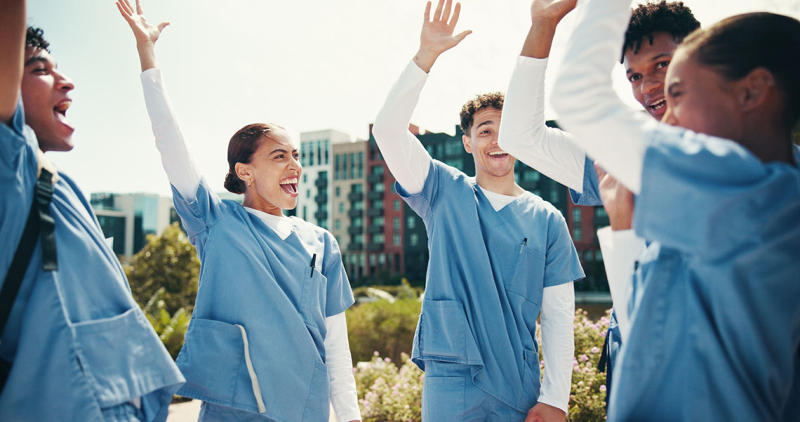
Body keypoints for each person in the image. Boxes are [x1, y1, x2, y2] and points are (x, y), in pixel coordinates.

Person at [550, 0, 800, 419]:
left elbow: (576, 94)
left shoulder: (740, 186)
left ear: (752, 90)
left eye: (679, 92)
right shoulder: (751, 202)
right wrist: (626, 231)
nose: (664, 117)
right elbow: (649, 332)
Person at [115, 1, 361, 421]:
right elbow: (169, 142)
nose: (294, 166)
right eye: (279, 156)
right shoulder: (217, 222)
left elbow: (336, 345)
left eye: (296, 156)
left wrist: (351, 417)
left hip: (308, 410)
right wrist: (148, 56)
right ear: (244, 170)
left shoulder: (321, 242)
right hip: (235, 410)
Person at [372, 1, 584, 420]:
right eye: (485, 130)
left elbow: (559, 315)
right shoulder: (442, 191)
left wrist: (556, 398)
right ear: (467, 142)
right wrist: (426, 56)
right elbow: (387, 131)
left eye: (507, 130)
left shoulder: (547, 219)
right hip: (452, 377)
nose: (497, 140)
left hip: (518, 384)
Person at [497, 0, 700, 398]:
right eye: (634, 76)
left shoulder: (763, 160)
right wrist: (544, 23)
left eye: (662, 65)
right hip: (638, 379)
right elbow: (520, 136)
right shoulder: (626, 152)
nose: (648, 88)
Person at [0, 1, 184, 421]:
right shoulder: (10, 167)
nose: (67, 82)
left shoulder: (57, 185)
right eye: (40, 69)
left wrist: (147, 53)